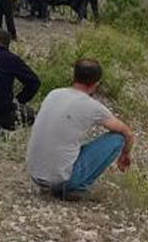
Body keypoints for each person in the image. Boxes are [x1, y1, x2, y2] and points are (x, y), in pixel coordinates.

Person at [27, 59, 135, 199]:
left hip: (35, 175)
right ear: (96, 83)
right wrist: (125, 154)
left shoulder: (53, 93)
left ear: (74, 76)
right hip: (62, 180)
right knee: (118, 139)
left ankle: (56, 183)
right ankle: (78, 188)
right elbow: (127, 132)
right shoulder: (92, 106)